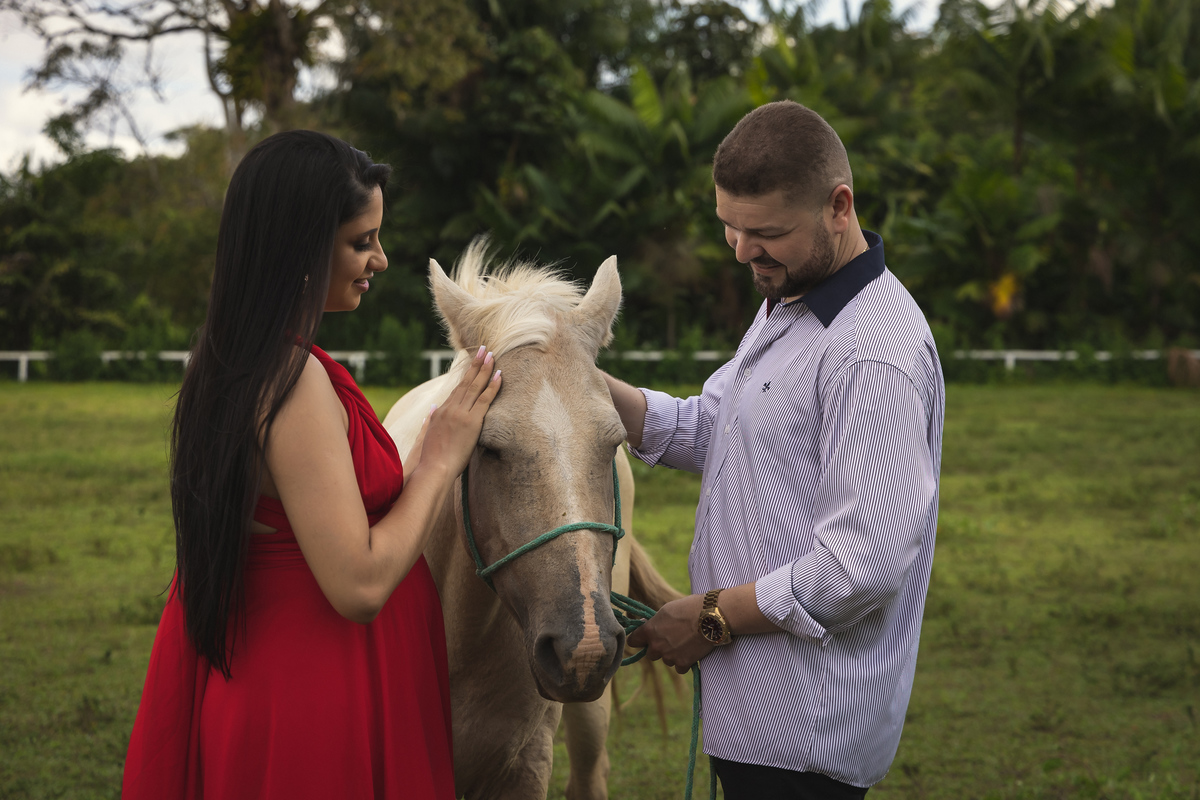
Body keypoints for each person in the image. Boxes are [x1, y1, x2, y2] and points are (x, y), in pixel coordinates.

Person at [122, 130, 501, 799]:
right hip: (315, 701)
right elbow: (357, 585)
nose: (381, 260)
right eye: (362, 241)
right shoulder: (291, 384)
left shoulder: (242, 361)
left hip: (301, 677)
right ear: (300, 245)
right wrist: (440, 460)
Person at [609, 101, 945, 798]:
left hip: (803, 734)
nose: (741, 251)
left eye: (765, 233)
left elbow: (858, 567)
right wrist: (582, 385)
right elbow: (717, 426)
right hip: (759, 710)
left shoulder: (868, 353)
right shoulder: (793, 298)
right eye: (729, 228)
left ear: (838, 208)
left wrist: (707, 617)